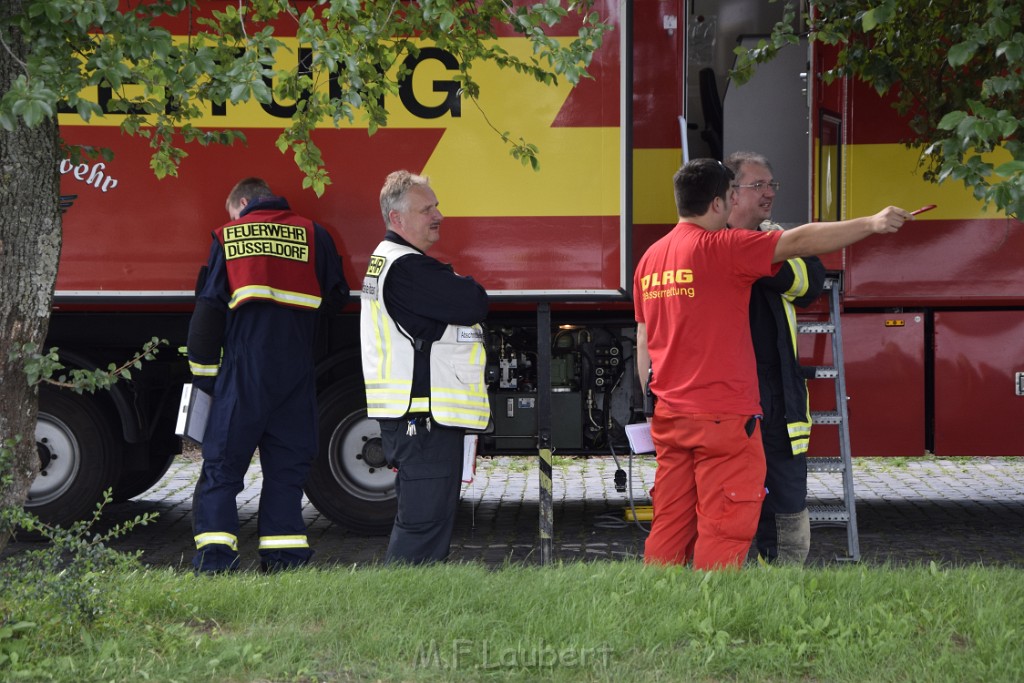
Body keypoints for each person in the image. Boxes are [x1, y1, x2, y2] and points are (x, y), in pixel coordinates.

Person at [634, 157, 912, 570]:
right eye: (731, 198)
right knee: (726, 523)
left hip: (671, 417)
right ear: (716, 203)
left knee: (672, 521)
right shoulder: (722, 248)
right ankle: (714, 613)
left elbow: (643, 343)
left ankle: (661, 603)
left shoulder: (651, 260)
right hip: (724, 418)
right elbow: (801, 242)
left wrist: (652, 404)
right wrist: (870, 223)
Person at [187, 177, 349, 573]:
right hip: (295, 369)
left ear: (242, 202)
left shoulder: (231, 235)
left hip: (244, 370)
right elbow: (337, 297)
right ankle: (285, 558)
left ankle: (216, 562)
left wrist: (204, 376)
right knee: (287, 467)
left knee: (223, 466)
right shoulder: (314, 234)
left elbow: (209, 311)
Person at [360, 170, 489, 564]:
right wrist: (458, 282)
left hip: (415, 416)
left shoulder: (394, 262)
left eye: (436, 206)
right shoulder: (407, 268)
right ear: (397, 218)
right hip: (422, 419)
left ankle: (416, 603)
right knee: (422, 526)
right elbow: (473, 301)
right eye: (427, 209)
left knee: (424, 520)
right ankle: (404, 607)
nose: (438, 215)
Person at [724, 151, 825, 564]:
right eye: (758, 185)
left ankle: (783, 585)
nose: (769, 193)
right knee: (730, 493)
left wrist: (776, 245)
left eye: (772, 185)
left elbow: (809, 281)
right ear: (730, 193)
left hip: (778, 392)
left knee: (785, 494)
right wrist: (776, 247)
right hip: (733, 389)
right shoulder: (721, 243)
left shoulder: (774, 240)